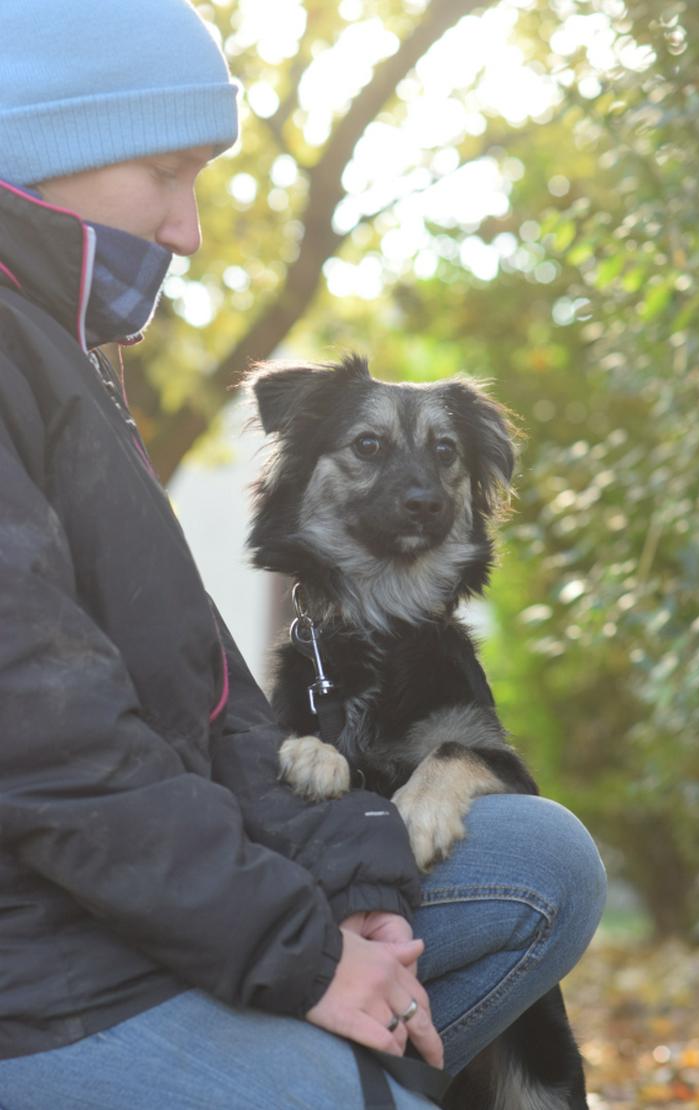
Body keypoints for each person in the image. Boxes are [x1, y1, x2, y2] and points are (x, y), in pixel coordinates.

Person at [0, 2, 607, 1107]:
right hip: (40, 964)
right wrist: (307, 952)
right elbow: (51, 750)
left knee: (546, 862)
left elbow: (202, 697)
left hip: (125, 894)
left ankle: (360, 1065)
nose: (186, 231)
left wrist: (353, 878)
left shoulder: (67, 352)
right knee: (318, 1085)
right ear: (47, 150)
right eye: (167, 173)